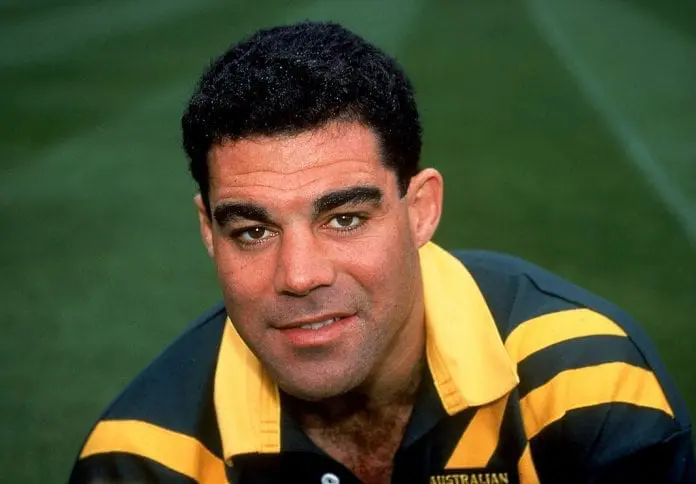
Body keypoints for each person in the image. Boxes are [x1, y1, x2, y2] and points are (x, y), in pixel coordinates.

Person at [69, 21, 695, 484]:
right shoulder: (144, 459)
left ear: (420, 210)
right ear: (209, 231)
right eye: (253, 231)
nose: (300, 276)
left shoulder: (583, 381)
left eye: (344, 219)